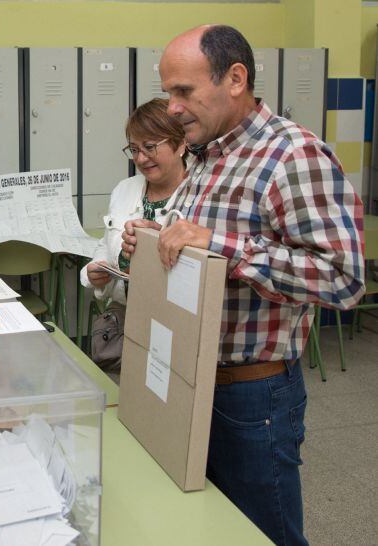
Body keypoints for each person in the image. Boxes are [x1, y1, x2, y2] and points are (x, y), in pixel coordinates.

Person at [121, 26, 364, 545]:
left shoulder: (292, 155)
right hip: (192, 378)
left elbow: (343, 279)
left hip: (253, 396)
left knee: (262, 533)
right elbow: (201, 249)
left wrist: (225, 246)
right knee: (209, 529)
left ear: (235, 79)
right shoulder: (207, 155)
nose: (174, 107)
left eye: (184, 91)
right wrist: (158, 240)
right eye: (169, 92)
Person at [80, 98, 187, 305]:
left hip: (173, 315)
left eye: (149, 147)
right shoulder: (124, 189)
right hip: (125, 313)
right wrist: (95, 270)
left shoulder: (198, 196)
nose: (141, 159)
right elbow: (105, 243)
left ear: (181, 143)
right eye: (134, 149)